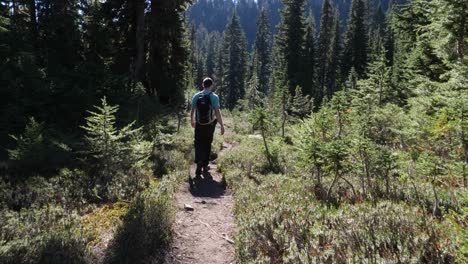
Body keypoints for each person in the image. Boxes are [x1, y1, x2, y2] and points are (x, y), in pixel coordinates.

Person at [191, 77, 225, 178]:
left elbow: (192, 110)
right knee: (207, 143)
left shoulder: (196, 96)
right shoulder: (214, 97)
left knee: (198, 143)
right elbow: (217, 112)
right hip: (210, 124)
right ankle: (205, 165)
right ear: (211, 85)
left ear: (203, 85)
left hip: (199, 124)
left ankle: (198, 163)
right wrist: (222, 125)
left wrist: (192, 121)